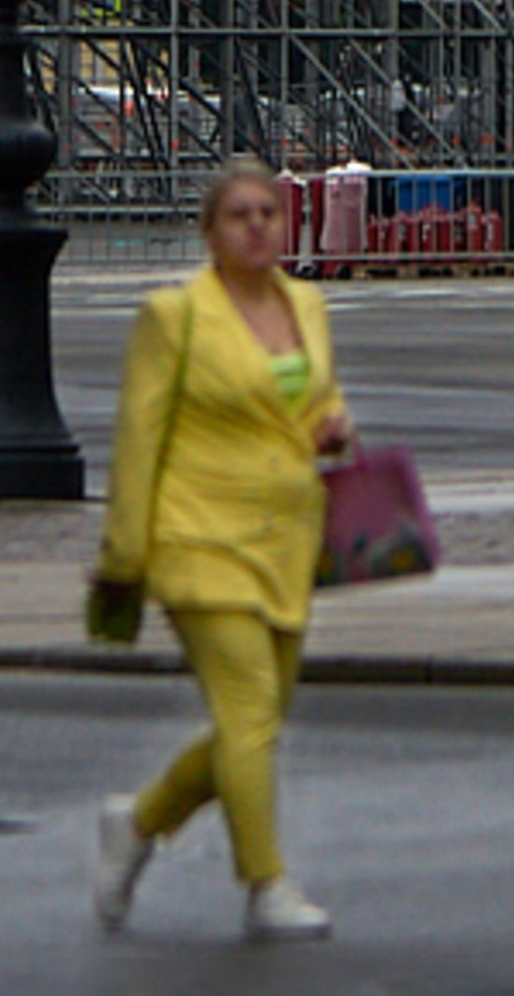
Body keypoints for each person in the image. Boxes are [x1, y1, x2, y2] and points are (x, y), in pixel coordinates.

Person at [87, 155, 353, 943]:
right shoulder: (177, 319)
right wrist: (126, 557)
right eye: (239, 214)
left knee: (256, 722)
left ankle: (136, 824)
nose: (257, 226)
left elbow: (317, 400)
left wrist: (334, 426)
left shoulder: (306, 303)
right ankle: (266, 884)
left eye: (268, 212)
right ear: (210, 232)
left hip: (285, 539)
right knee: (248, 714)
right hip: (198, 539)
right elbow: (139, 439)